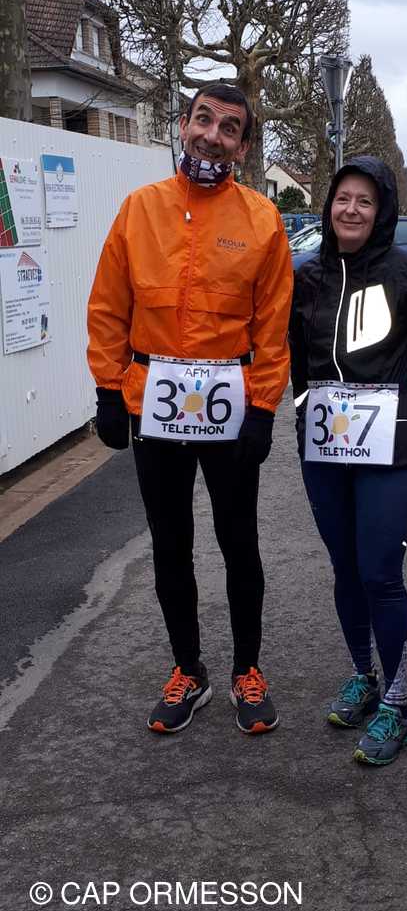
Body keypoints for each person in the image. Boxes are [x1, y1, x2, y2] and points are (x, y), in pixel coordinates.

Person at [87, 83, 293, 737]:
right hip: (155, 407)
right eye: (204, 119)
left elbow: (273, 326)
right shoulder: (138, 209)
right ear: (183, 125)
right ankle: (188, 671)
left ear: (244, 146)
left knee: (239, 544)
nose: (212, 135)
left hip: (231, 409)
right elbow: (109, 305)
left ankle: (247, 671)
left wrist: (263, 408)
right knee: (170, 544)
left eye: (229, 128)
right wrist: (108, 391)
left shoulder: (263, 220)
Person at [289, 156, 407, 766]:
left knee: (381, 573)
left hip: (391, 448)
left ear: (381, 210)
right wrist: (304, 411)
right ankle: (364, 675)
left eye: (365, 200)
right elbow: (296, 355)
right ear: (329, 206)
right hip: (326, 449)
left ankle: (397, 704)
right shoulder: (309, 275)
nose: (352, 209)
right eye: (343, 199)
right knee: (346, 568)